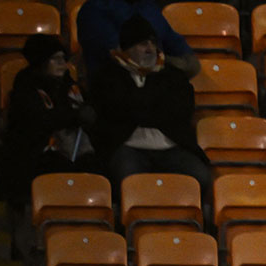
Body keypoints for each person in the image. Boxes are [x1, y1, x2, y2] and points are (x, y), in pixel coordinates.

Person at [90, 14, 212, 197]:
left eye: (153, 43)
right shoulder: (108, 75)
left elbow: (180, 111)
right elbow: (112, 111)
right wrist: (153, 106)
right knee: (127, 181)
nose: (150, 49)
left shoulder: (172, 75)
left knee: (200, 176)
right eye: (143, 44)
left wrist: (137, 106)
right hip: (128, 146)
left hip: (170, 146)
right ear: (128, 48)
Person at [0, 34, 101, 204]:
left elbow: (88, 110)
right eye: (55, 59)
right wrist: (76, 116)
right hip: (36, 150)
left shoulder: (71, 86)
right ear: (41, 61)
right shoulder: (26, 86)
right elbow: (39, 120)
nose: (62, 63)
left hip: (72, 148)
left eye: (63, 59)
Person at [76, 0, 200, 84]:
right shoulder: (94, 10)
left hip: (158, 95)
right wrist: (172, 64)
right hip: (116, 98)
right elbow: (129, 60)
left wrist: (164, 63)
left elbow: (191, 63)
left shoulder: (149, 7)